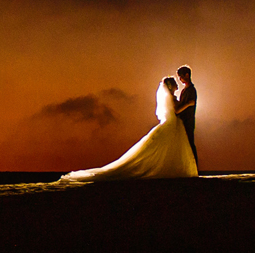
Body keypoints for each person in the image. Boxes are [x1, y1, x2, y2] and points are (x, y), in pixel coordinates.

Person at [57, 76, 199, 183]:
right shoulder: (171, 98)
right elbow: (176, 110)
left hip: (174, 125)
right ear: (170, 85)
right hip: (171, 125)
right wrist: (189, 104)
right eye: (175, 83)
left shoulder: (172, 96)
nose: (177, 85)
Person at [174, 65, 199, 170]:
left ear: (187, 75)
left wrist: (185, 105)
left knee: (190, 143)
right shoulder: (185, 90)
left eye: (181, 77)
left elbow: (190, 103)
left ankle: (194, 167)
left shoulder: (191, 90)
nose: (180, 79)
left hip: (188, 120)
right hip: (183, 120)